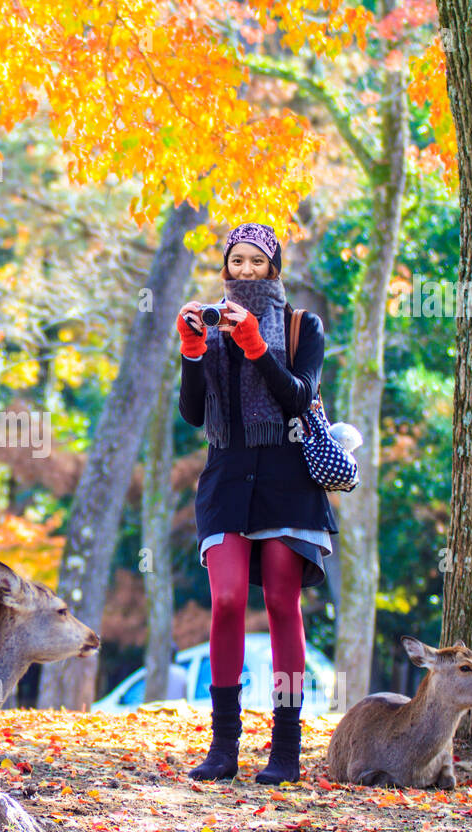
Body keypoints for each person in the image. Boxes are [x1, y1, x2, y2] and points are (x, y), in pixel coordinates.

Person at [174, 222, 339, 785]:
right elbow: (194, 415)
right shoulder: (211, 324)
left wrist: (259, 349)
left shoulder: (301, 326)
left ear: (273, 268)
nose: (244, 270)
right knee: (224, 601)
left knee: (282, 605)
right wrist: (193, 351)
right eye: (235, 261)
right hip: (226, 478)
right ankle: (223, 746)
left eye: (255, 261)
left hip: (287, 479)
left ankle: (286, 750)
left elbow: (299, 396)